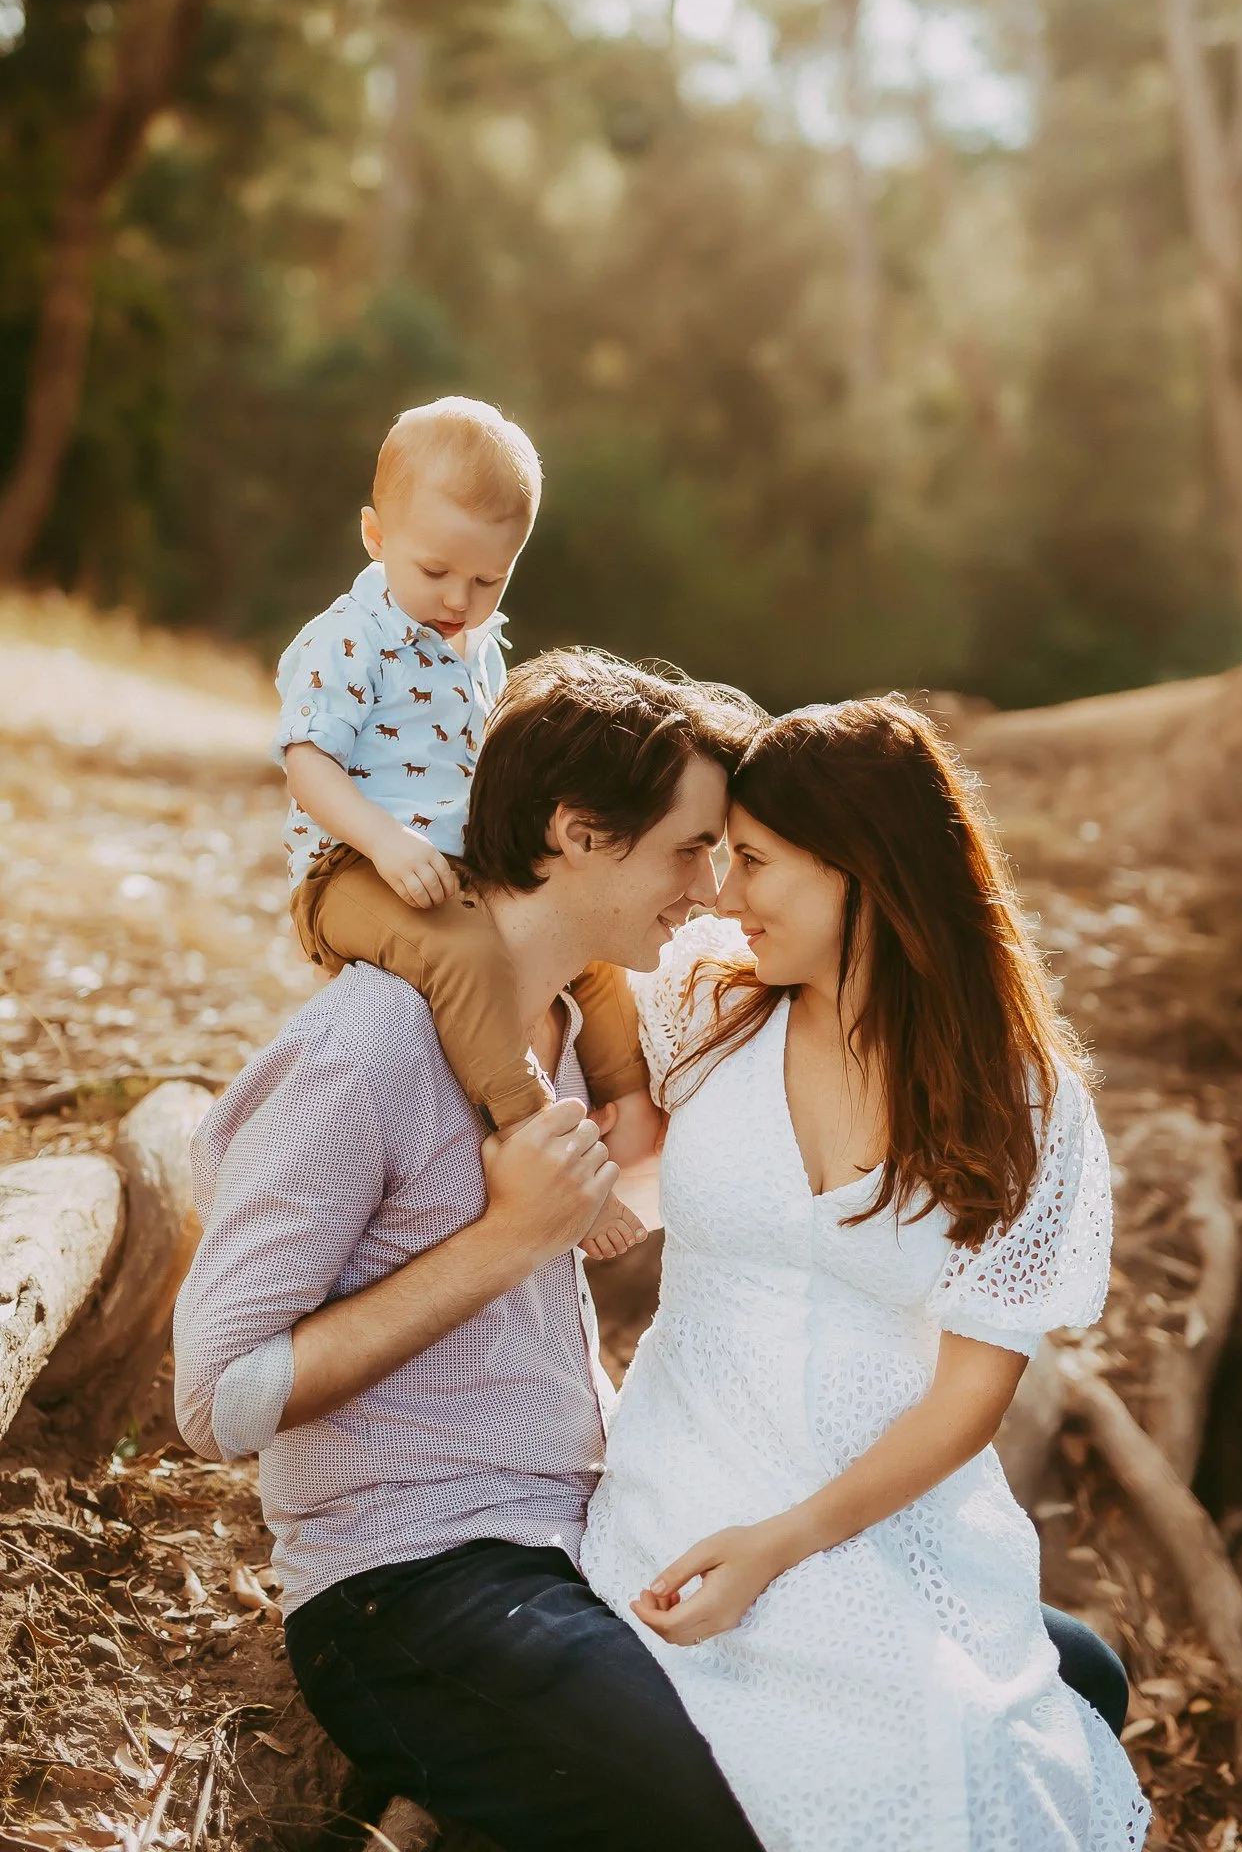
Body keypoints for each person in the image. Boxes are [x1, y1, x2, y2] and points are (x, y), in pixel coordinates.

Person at [174, 655, 1130, 1852]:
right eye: (696, 848)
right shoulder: (367, 1050)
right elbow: (214, 1400)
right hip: (410, 1572)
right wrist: (504, 1239)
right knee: (746, 1812)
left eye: (741, 855)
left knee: (1071, 1678)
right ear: (581, 835)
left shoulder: (587, 1031)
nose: (717, 888)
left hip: (586, 1515)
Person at [581, 696, 1151, 1851]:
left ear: (863, 871)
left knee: (970, 1740)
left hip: (900, 1509)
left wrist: (791, 1537)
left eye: (754, 862)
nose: (724, 894)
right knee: (841, 1735)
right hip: (690, 1464)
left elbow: (967, 1398)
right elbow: (536, 938)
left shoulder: (1025, 1102)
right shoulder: (704, 997)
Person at [276, 395, 648, 1258]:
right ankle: (531, 1134)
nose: (459, 598)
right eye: (437, 571)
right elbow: (306, 761)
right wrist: (383, 841)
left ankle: (626, 1103)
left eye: (489, 580)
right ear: (375, 535)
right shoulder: (350, 637)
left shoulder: (478, 643)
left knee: (585, 935)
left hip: (458, 863)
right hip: (352, 869)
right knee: (466, 952)